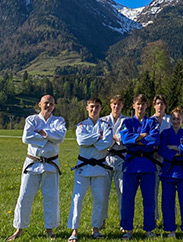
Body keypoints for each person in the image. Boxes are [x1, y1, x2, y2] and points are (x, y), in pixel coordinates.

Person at [6, 95, 66, 241]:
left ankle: (50, 229)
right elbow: (26, 137)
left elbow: (61, 136)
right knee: (24, 196)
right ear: (40, 104)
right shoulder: (31, 119)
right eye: (46, 103)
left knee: (51, 198)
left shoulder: (59, 120)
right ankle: (19, 229)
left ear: (54, 106)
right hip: (32, 163)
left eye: (51, 104)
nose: (48, 106)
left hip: (51, 164)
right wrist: (49, 137)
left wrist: (42, 133)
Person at [67, 98, 114, 242]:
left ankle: (96, 229)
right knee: (77, 198)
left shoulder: (106, 125)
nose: (94, 109)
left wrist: (93, 141)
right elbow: (81, 141)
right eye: (92, 107)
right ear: (87, 108)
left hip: (99, 167)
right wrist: (97, 137)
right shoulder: (81, 125)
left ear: (101, 109)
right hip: (83, 166)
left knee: (99, 199)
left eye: (97, 107)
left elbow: (106, 143)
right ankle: (74, 230)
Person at [119, 94, 160, 240]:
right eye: (138, 104)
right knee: (127, 199)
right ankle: (127, 229)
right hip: (131, 165)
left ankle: (149, 229)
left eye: (143, 104)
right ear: (133, 105)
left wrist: (136, 139)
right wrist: (141, 137)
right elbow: (125, 140)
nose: (140, 107)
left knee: (149, 199)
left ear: (146, 106)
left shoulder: (152, 122)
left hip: (148, 165)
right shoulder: (127, 122)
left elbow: (154, 140)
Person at [159, 107, 183, 240]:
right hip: (168, 171)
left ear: (182, 119)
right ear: (170, 120)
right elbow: (162, 149)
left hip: (182, 171)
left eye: (178, 118)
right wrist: (178, 153)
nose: (176, 121)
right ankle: (170, 229)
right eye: (173, 118)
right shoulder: (165, 134)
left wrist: (175, 147)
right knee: (168, 202)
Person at [100, 95, 127, 229]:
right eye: (114, 104)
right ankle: (101, 222)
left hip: (121, 159)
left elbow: (126, 139)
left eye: (119, 104)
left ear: (122, 106)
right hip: (105, 159)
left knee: (122, 193)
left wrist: (109, 137)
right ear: (110, 105)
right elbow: (100, 139)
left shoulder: (127, 121)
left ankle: (124, 223)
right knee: (102, 192)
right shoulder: (102, 120)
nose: (116, 107)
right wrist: (115, 138)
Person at [151, 94, 171, 223]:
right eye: (157, 103)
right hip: (152, 159)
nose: (160, 106)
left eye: (162, 103)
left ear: (165, 105)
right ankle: (153, 218)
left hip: (167, 159)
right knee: (152, 191)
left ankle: (168, 219)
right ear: (154, 105)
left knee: (168, 192)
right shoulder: (149, 121)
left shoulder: (170, 120)